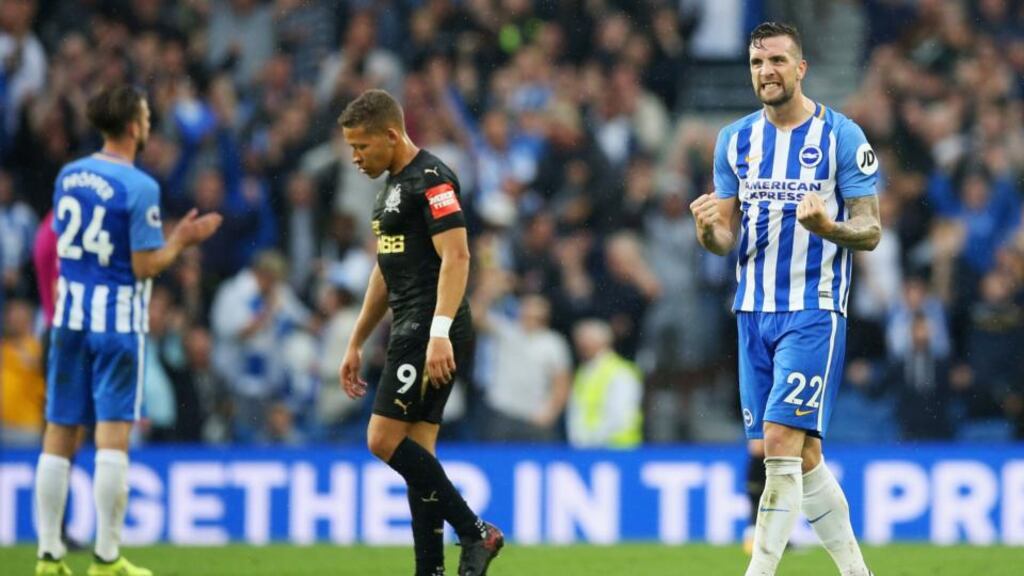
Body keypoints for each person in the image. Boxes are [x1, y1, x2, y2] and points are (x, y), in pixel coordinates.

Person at [689, 23, 879, 576]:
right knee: (804, 455)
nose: (765, 72)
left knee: (776, 443)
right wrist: (706, 232)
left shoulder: (842, 136)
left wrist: (829, 227)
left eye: (776, 61)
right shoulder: (735, 140)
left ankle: (760, 571)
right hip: (752, 313)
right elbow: (725, 238)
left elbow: (870, 230)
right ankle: (856, 572)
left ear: (800, 69)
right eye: (756, 63)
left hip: (813, 309)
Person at [34, 85, 222, 576]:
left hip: (68, 318)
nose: (150, 123)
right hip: (117, 323)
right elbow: (143, 266)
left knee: (59, 434)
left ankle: (49, 556)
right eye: (146, 115)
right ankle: (106, 557)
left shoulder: (69, 174)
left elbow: (61, 246)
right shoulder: (139, 187)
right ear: (135, 125)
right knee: (111, 438)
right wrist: (180, 241)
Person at [337, 89, 503, 576]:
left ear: (391, 134)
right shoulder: (390, 188)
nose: (355, 157)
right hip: (412, 326)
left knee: (381, 438)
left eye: (362, 146)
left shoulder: (432, 178)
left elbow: (458, 256)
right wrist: (355, 339)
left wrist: (438, 333)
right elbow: (385, 270)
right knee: (419, 454)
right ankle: (429, 569)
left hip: (428, 327)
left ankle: (476, 532)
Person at [565, 319, 643, 448]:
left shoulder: (621, 372)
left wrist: (591, 440)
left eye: (585, 340)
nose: (580, 344)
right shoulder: (584, 371)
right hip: (588, 451)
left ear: (602, 341)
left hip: (616, 451)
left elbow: (621, 417)